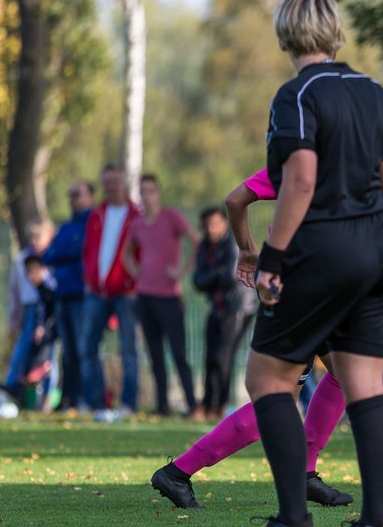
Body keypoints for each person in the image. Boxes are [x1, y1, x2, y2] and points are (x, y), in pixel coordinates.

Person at [151, 165, 383, 510]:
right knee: (277, 398)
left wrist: (248, 250)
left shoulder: (300, 156)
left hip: (317, 290)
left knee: (341, 374)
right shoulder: (353, 158)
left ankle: (305, 473)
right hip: (303, 290)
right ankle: (178, 472)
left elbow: (237, 200)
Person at [229, 0, 383, 527]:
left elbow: (300, 181)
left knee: (267, 377)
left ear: (286, 35)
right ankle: (374, 525)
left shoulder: (296, 95)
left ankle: (292, 521)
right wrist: (382, 250)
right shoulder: (377, 93)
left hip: (324, 248)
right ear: (335, 32)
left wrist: (272, 259)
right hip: (381, 250)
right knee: (365, 385)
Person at [123, 174, 201, 417]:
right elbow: (126, 254)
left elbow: (197, 241)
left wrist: (182, 270)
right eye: (143, 191)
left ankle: (192, 404)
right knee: (155, 355)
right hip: (145, 296)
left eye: (151, 190)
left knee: (178, 353)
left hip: (169, 297)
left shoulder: (172, 217)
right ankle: (162, 405)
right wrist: (137, 273)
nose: (147, 195)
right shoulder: (137, 224)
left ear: (158, 193)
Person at [80, 163, 141, 421]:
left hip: (125, 293)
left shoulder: (135, 215)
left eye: (115, 181)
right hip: (96, 292)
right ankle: (97, 402)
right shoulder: (97, 215)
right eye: (107, 181)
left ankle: (128, 402)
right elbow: (89, 251)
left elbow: (140, 253)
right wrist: (89, 279)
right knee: (88, 347)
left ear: (123, 183)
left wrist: (135, 285)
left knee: (128, 348)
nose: (111, 186)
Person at [192, 206, 256, 419]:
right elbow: (197, 281)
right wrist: (216, 274)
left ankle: (220, 405)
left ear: (224, 224)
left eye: (215, 224)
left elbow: (230, 276)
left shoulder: (233, 245)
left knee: (223, 357)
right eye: (207, 225)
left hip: (239, 307)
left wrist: (214, 275)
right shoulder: (203, 247)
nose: (211, 229)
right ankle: (207, 404)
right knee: (210, 357)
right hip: (217, 307)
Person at [43, 182, 93, 411]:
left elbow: (82, 249)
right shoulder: (66, 227)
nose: (72, 199)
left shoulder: (92, 223)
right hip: (62, 295)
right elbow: (49, 255)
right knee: (68, 353)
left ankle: (86, 399)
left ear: (89, 197)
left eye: (77, 195)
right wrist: (67, 251)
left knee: (85, 350)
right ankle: (68, 399)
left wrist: (65, 251)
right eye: (70, 195)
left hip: (82, 295)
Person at [2, 220, 54, 404]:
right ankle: (12, 387)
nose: (35, 241)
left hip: (48, 311)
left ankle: (46, 396)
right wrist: (13, 319)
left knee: (47, 356)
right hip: (29, 309)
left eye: (39, 237)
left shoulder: (51, 259)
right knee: (23, 350)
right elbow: (14, 291)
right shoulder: (21, 260)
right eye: (33, 237)